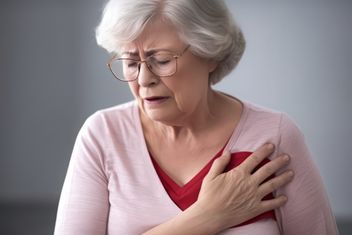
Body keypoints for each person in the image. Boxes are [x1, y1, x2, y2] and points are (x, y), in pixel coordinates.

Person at [54, 0, 338, 234]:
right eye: (130, 62)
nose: (143, 79)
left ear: (210, 52)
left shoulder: (274, 134)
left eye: (161, 60)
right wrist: (206, 217)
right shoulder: (102, 135)